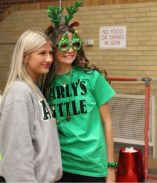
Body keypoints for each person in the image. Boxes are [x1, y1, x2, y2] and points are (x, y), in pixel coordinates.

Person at [44, 2, 116, 182]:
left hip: (92, 166)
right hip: (60, 165)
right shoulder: (45, 83)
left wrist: (111, 167)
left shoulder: (92, 78)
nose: (70, 50)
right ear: (52, 48)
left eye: (74, 43)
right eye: (64, 45)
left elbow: (107, 122)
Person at [0, 30, 62, 182]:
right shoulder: (19, 92)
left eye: (50, 53)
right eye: (42, 53)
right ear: (25, 57)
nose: (49, 59)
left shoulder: (33, 90)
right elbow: (17, 154)